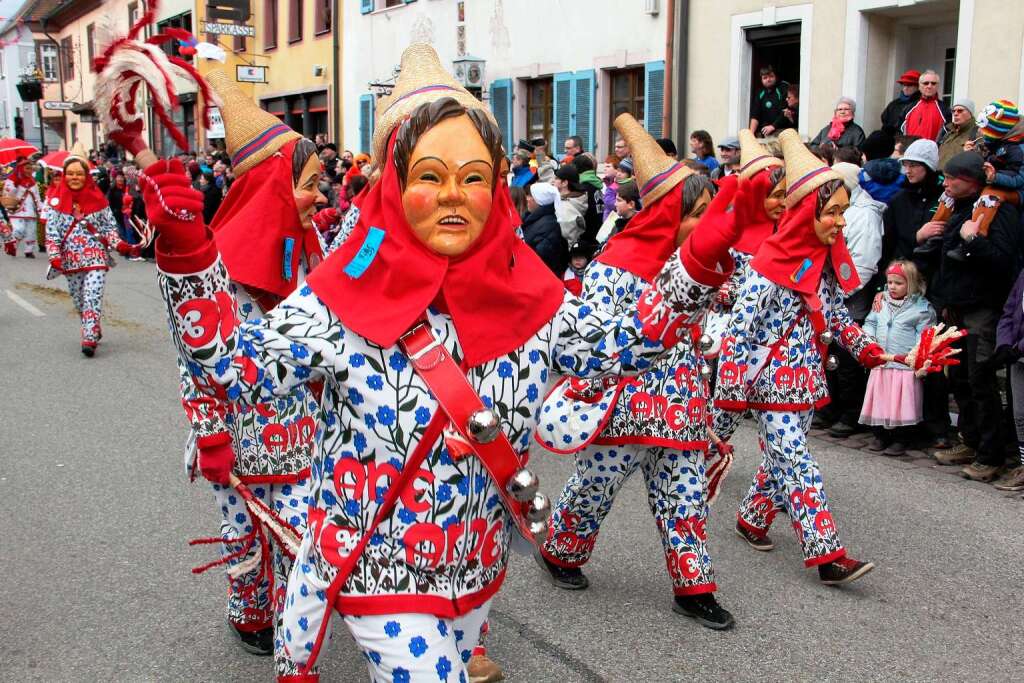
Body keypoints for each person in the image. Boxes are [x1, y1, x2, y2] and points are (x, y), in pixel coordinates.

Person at [141, 43, 736, 682]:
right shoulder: (337, 299)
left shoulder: (529, 292)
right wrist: (190, 262)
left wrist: (697, 263)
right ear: (394, 185)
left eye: (473, 176)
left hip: (477, 565)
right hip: (376, 565)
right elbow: (230, 369)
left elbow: (626, 345)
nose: (454, 196)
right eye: (430, 176)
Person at [536, 113, 737, 630]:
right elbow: (595, 340)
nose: (708, 223)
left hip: (680, 401)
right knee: (595, 485)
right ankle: (562, 550)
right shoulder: (615, 262)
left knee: (685, 495)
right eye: (698, 212)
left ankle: (694, 586)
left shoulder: (700, 264)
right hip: (624, 400)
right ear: (671, 213)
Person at [164, 70, 326, 670]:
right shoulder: (215, 270)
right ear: (276, 188)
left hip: (302, 433)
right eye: (309, 186)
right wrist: (210, 436)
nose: (321, 197)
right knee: (244, 537)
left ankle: (292, 623)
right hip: (235, 436)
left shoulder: (313, 249)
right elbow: (194, 361)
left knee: (299, 542)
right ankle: (249, 613)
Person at [713, 129, 890, 585]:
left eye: (843, 212)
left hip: (808, 380)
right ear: (807, 210)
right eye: (832, 212)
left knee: (781, 459)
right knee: (798, 462)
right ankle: (828, 554)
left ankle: (752, 518)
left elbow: (833, 316)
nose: (840, 222)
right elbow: (739, 334)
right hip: (770, 384)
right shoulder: (766, 266)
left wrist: (868, 350)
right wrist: (730, 399)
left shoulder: (822, 258)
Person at [926, 151, 1021, 481]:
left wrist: (971, 239)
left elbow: (1003, 261)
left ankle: (991, 455)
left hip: (983, 307)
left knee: (981, 381)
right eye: (947, 177)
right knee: (960, 380)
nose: (947, 183)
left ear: (974, 181)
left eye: (954, 178)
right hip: (956, 304)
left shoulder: (999, 211)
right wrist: (925, 237)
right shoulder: (958, 208)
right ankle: (970, 439)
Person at [42, 144, 141, 356]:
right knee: (79, 299)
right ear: (64, 175)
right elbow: (52, 234)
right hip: (70, 260)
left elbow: (109, 228)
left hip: (95, 255)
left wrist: (122, 245)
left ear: (86, 176)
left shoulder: (99, 200)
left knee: (93, 294)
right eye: (70, 174)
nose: (74, 177)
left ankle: (89, 335)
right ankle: (91, 324)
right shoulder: (55, 203)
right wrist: (55, 257)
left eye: (79, 173)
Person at [817, 162, 886, 438]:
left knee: (846, 360)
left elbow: (865, 262)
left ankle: (849, 413)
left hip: (850, 295)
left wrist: (838, 293)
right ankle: (829, 406)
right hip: (830, 293)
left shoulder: (864, 216)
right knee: (831, 355)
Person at [703, 129, 786, 352]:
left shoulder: (786, 232)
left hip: (773, 339)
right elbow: (710, 285)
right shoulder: (730, 236)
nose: (783, 203)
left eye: (785, 195)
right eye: (776, 196)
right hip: (730, 336)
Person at [860, 260, 936, 455]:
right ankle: (880, 434)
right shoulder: (882, 301)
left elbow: (926, 336)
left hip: (904, 365)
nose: (893, 287)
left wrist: (917, 355)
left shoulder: (921, 309)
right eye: (890, 282)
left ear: (910, 283)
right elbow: (871, 321)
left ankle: (902, 437)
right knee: (881, 399)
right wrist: (869, 338)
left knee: (901, 402)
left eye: (899, 283)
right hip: (882, 360)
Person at [945, 100, 1024, 261]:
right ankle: (936, 232)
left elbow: (1019, 178)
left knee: (989, 195)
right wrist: (973, 154)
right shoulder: (1002, 141)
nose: (982, 133)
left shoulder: (1019, 148)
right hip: (998, 180)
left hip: (1017, 191)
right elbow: (991, 160)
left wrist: (995, 177)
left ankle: (974, 236)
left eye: (986, 130)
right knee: (948, 191)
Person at [992, 267, 1024, 491]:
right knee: (1020, 415)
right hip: (1017, 355)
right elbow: (1009, 309)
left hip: (1020, 351)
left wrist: (1018, 349)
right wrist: (1004, 344)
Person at [521, 182, 568, 275]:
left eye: (531, 196)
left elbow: (541, 261)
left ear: (539, 201)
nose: (527, 199)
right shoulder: (533, 219)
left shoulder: (549, 226)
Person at [1, 157, 42, 257]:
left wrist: (40, 210)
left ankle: (29, 251)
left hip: (31, 211)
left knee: (31, 232)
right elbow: (7, 193)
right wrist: (15, 184)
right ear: (21, 169)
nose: (29, 171)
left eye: (30, 168)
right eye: (27, 168)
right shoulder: (12, 180)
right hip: (16, 210)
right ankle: (12, 245)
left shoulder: (33, 183)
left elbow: (37, 197)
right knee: (19, 229)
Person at [901, 71, 951, 142]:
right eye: (926, 83)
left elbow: (947, 134)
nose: (929, 86)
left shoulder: (945, 109)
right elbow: (899, 131)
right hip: (909, 151)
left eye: (933, 83)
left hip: (933, 152)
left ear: (937, 86)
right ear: (919, 86)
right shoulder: (908, 108)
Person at [938, 98, 979, 170]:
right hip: (940, 177)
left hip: (958, 177)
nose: (955, 114)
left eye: (960, 111)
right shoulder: (948, 132)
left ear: (970, 113)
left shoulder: (977, 133)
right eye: (953, 111)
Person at [553, 163, 588, 244]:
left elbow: (567, 240)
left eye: (556, 178)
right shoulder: (574, 199)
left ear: (565, 183)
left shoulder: (566, 209)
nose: (553, 181)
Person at [880, 69, 921, 137]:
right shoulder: (893, 104)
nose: (905, 88)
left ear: (918, 87)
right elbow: (885, 121)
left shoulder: (921, 104)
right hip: (892, 141)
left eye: (909, 85)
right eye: (904, 85)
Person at [749, 65, 788, 136]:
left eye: (771, 76)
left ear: (775, 76)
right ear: (761, 80)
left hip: (783, 131)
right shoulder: (760, 93)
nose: (768, 79)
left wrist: (773, 126)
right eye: (765, 78)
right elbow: (755, 115)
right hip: (765, 131)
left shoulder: (783, 88)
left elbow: (786, 111)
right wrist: (751, 134)